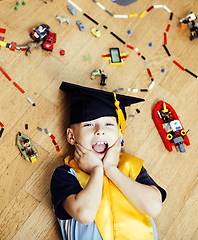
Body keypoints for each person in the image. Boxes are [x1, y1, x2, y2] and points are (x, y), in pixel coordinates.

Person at [50, 82, 166, 240]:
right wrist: (97, 171)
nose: (100, 131)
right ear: (71, 136)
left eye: (109, 124)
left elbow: (153, 207)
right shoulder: (67, 173)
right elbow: (85, 214)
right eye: (89, 124)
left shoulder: (131, 165)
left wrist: (111, 169)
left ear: (120, 134)